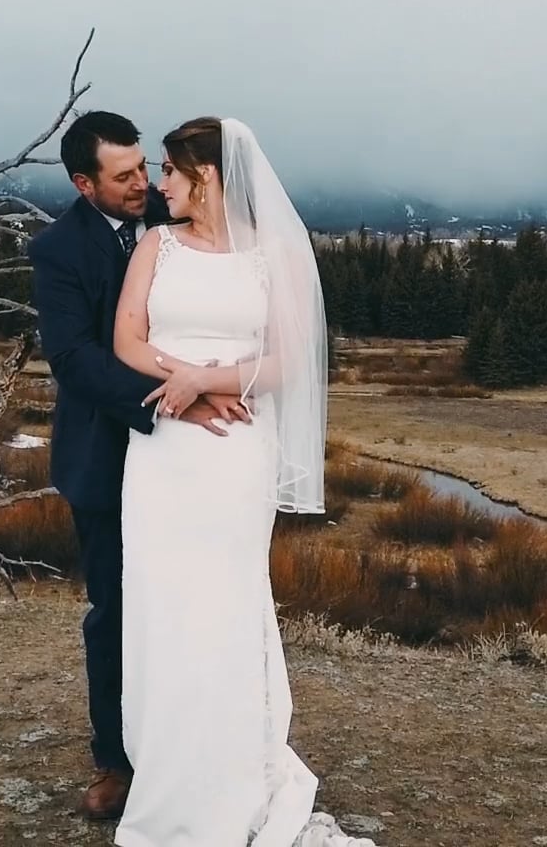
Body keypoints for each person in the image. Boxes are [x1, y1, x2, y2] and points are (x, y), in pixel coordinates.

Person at [110, 117, 373, 846]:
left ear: (208, 175)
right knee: (162, 604)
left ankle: (231, 775)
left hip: (234, 455)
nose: (158, 184)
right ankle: (167, 779)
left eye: (169, 170)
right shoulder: (154, 247)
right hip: (165, 449)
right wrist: (186, 382)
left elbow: (289, 359)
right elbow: (125, 339)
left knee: (225, 604)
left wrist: (213, 376)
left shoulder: (275, 256)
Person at [27, 111, 248, 821]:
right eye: (123, 177)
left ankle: (197, 747)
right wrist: (173, 401)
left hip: (192, 461)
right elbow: (74, 358)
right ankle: (117, 762)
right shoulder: (58, 250)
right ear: (82, 182)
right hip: (108, 451)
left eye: (145, 169)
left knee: (193, 603)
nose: (143, 185)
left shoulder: (174, 209)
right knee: (117, 611)